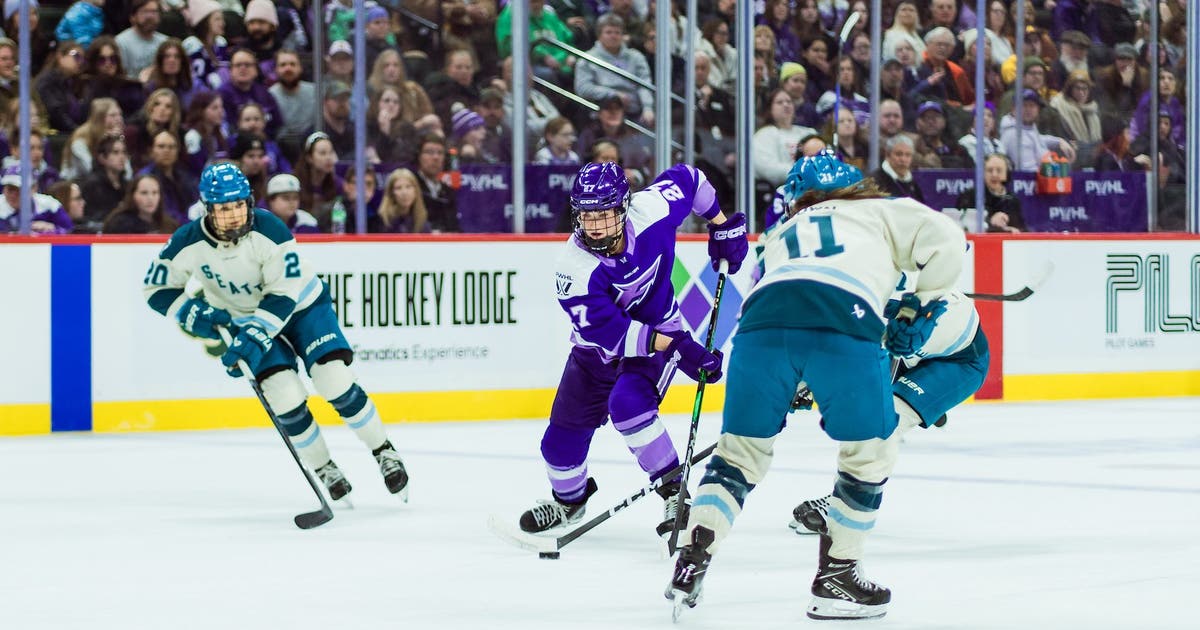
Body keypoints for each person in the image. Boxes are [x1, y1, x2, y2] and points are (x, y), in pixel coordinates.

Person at [667, 151, 966, 621]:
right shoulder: (881, 209)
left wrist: (797, 379)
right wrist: (917, 308)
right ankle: (837, 576)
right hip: (841, 320)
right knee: (871, 451)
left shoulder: (777, 234)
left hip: (759, 326)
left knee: (738, 455)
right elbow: (949, 240)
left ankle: (692, 557)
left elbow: (789, 296)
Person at [141, 162, 410, 501]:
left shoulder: (270, 229)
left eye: (239, 205)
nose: (234, 215)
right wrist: (191, 312)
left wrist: (254, 336)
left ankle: (384, 450)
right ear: (207, 210)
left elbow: (283, 295)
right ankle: (325, 467)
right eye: (224, 209)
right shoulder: (187, 241)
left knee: (333, 378)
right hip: (247, 319)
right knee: (283, 394)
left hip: (302, 307)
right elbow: (156, 289)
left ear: (249, 202)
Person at [515, 161, 748, 544]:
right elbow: (612, 332)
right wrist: (678, 347)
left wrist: (720, 223)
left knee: (629, 405)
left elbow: (691, 179)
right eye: (587, 217)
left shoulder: (652, 210)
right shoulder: (572, 268)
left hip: (658, 332)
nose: (595, 226)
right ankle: (569, 502)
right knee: (557, 448)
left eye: (604, 215)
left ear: (624, 207)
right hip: (596, 354)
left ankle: (674, 493)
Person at [955, 153, 1024, 233]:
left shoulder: (1012, 199)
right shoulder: (970, 196)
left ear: (1006, 174)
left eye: (999, 170)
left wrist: (1014, 230)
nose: (994, 175)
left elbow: (1021, 228)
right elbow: (962, 225)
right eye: (989, 170)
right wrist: (989, 222)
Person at [102, 173, 176, 234]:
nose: (150, 198)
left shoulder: (170, 225)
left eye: (155, 193)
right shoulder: (118, 225)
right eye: (144, 193)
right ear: (132, 196)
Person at [870, 135, 923, 202]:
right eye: (898, 154)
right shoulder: (875, 181)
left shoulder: (914, 183)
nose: (903, 159)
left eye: (908, 155)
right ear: (887, 155)